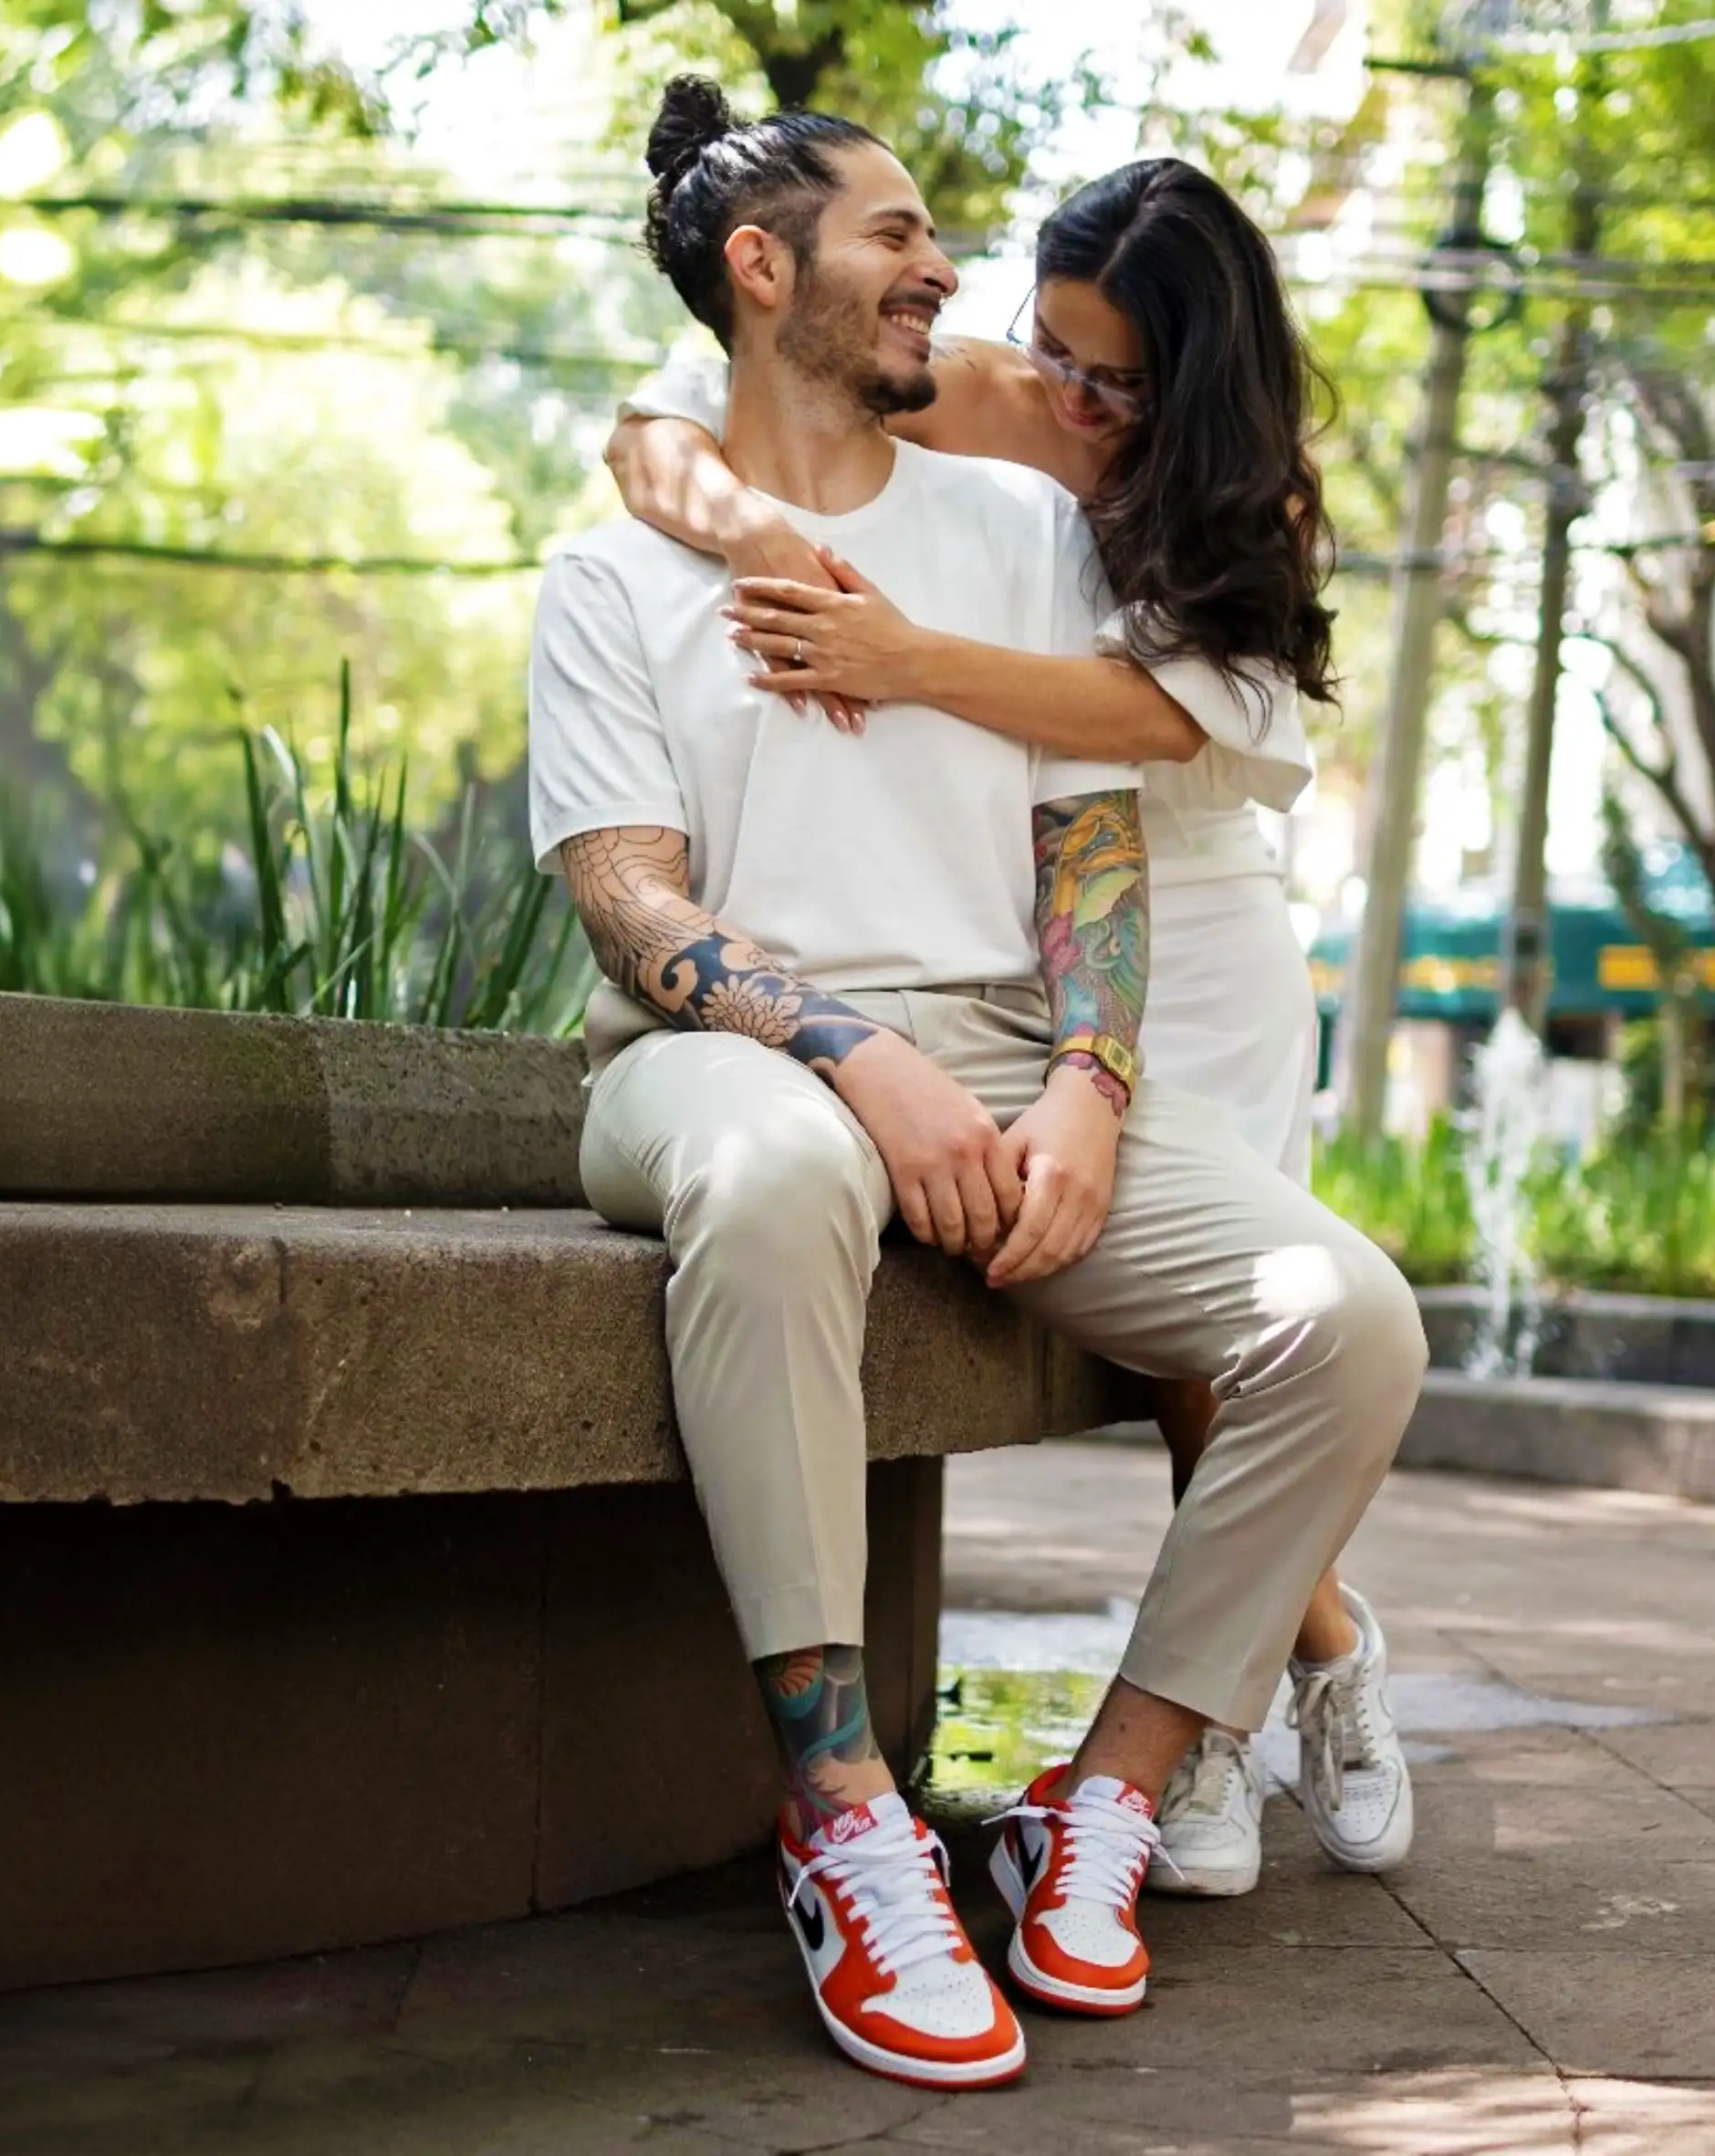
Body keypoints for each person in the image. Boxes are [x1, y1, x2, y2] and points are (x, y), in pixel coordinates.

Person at [531, 74, 1427, 2089]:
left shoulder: (1031, 528)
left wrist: (1088, 1084)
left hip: (1043, 1030)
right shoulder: (606, 574)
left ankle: (1103, 1791)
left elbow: (1089, 837)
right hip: (717, 1052)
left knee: (1341, 1313)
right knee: (772, 1177)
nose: (945, 271)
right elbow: (625, 902)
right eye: (898, 233)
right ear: (762, 271)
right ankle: (842, 1807)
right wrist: (853, 1058)